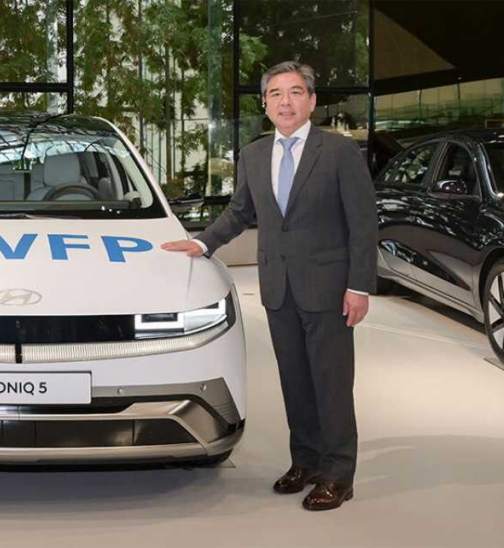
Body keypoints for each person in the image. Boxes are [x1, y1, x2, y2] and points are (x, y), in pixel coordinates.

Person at [161, 61, 377, 511]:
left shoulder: (339, 152)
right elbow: (240, 211)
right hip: (278, 289)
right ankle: (307, 462)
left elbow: (363, 224)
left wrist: (359, 286)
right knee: (295, 382)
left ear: (312, 101)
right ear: (265, 104)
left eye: (295, 92)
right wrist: (203, 243)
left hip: (329, 289)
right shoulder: (255, 154)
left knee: (331, 384)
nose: (285, 102)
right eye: (276, 94)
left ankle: (339, 474)